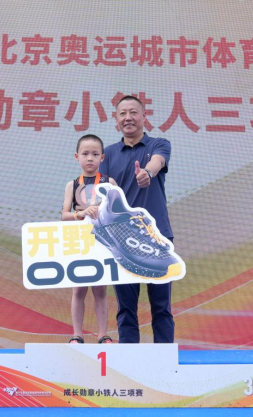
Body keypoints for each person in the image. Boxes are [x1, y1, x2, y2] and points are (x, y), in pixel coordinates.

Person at [100, 96, 175, 343]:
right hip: (121, 240)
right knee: (126, 309)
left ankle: (164, 358)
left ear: (144, 116)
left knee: (161, 307)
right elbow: (101, 189)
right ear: (116, 119)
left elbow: (157, 161)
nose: (128, 118)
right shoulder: (107, 154)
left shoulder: (159, 144)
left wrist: (147, 173)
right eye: (122, 113)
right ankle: (128, 359)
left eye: (133, 112)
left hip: (157, 238)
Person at [61, 134, 117, 344]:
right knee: (78, 289)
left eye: (95, 154)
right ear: (77, 156)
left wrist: (102, 212)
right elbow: (64, 215)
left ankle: (103, 334)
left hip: (102, 241)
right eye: (85, 154)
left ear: (102, 157)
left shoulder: (109, 183)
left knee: (101, 290)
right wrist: (81, 214)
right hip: (79, 241)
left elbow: (118, 212)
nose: (90, 158)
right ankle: (77, 334)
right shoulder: (72, 184)